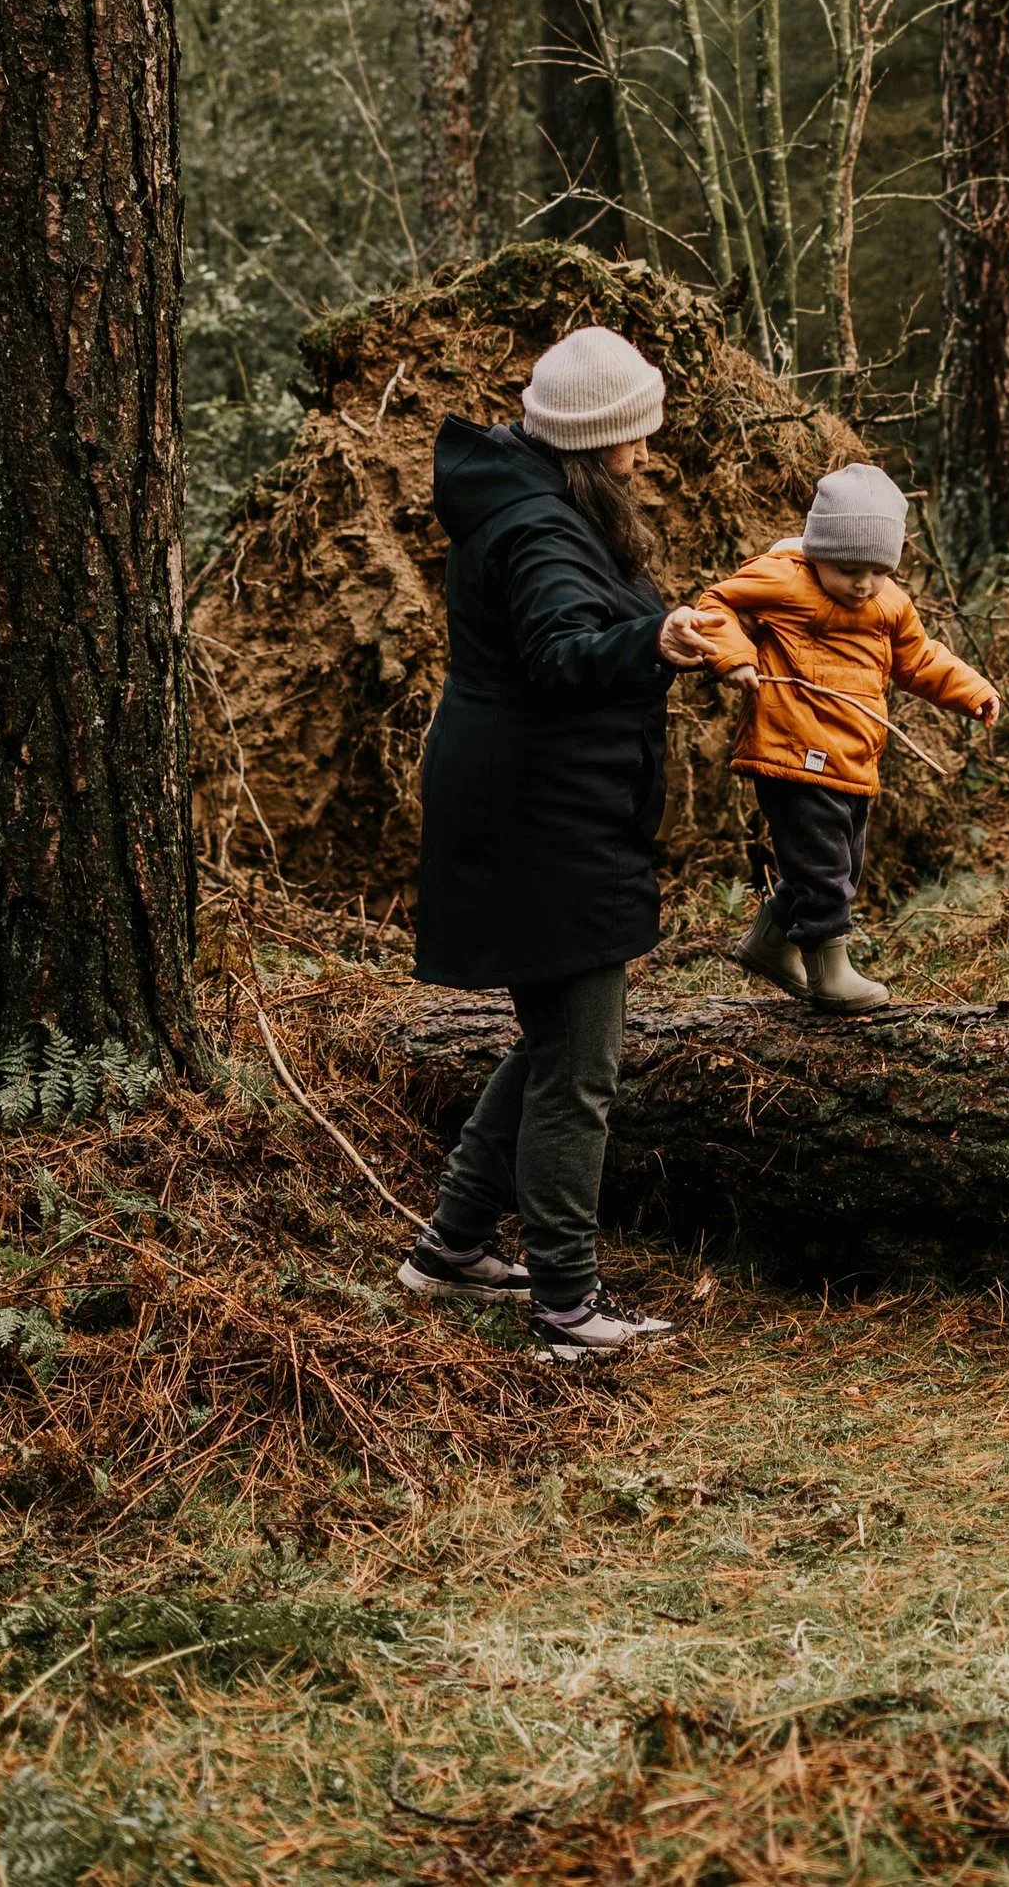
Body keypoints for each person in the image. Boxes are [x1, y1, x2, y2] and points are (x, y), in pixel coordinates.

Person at [400, 322, 713, 1359]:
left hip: (539, 807)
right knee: (581, 1064)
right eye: (633, 436)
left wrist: (658, 632)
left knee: (550, 1042)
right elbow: (561, 650)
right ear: (594, 438)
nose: (644, 451)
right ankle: (569, 1307)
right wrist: (654, 639)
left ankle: (449, 1246)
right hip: (540, 822)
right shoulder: (537, 525)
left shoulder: (536, 498)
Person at [666, 463, 1000, 1011]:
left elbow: (918, 658)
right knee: (823, 868)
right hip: (792, 749)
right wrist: (734, 656)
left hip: (853, 757)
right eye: (848, 568)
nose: (862, 584)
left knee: (839, 863)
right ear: (817, 550)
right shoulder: (782, 578)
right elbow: (716, 604)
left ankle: (769, 944)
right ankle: (829, 973)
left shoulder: (888, 602)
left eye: (876, 570)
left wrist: (971, 690)